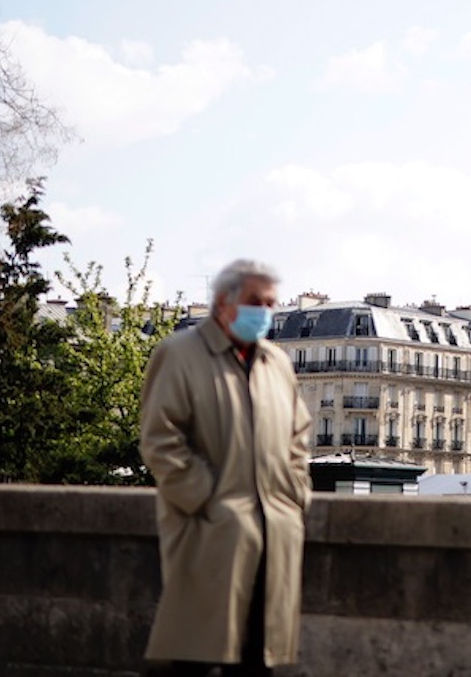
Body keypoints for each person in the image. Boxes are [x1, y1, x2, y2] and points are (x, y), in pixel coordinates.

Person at [140, 259, 312, 676]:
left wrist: (292, 498)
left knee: (257, 659)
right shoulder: (178, 354)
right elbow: (161, 440)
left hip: (274, 531)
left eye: (271, 303)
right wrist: (211, 502)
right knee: (193, 656)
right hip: (210, 533)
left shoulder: (277, 363)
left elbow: (298, 437)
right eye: (257, 302)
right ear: (222, 302)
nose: (266, 312)